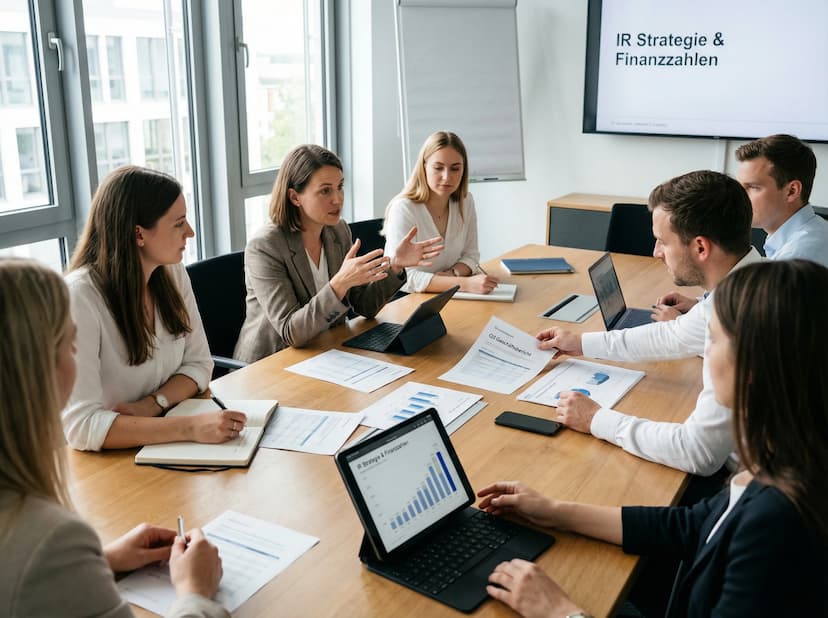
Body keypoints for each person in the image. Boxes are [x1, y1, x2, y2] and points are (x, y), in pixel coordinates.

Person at [479, 260, 828, 616]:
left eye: (715, 339)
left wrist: (558, 612)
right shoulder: (787, 460)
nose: (706, 351)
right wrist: (553, 511)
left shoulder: (777, 523)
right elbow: (690, 526)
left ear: (753, 367)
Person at [0, 258, 228, 617]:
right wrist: (195, 592)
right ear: (36, 370)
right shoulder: (47, 537)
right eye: (71, 346)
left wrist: (98, 562)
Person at [537, 171, 762, 475]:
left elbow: (698, 453)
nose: (655, 253)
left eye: (662, 242)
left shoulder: (737, 315)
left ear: (700, 247)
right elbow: (675, 335)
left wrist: (597, 420)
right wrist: (578, 343)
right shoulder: (756, 277)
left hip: (759, 488)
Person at [63, 165, 247, 451]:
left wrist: (153, 404)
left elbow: (199, 364)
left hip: (165, 443)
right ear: (139, 234)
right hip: (108, 464)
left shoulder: (172, 273)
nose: (190, 232)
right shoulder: (79, 298)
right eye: (178, 223)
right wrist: (190, 428)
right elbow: (81, 425)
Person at [234, 144, 443, 362]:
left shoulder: (338, 230)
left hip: (325, 351)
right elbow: (291, 332)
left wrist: (396, 266)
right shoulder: (265, 246)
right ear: (295, 197)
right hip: (270, 364)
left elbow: (365, 306)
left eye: (340, 187)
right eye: (325, 190)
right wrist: (339, 284)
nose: (337, 199)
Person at [655, 134, 826, 318]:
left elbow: (751, 325)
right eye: (740, 187)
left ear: (791, 191)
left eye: (753, 187)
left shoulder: (798, 256)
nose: (740, 197)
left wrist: (679, 324)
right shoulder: (804, 234)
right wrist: (699, 303)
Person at [383, 131, 499, 294]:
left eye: (455, 169)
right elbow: (404, 277)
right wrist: (463, 284)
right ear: (424, 167)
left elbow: (471, 256)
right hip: (409, 300)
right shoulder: (404, 209)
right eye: (438, 168)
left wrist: (452, 275)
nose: (447, 177)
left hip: (448, 297)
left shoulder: (466, 202)